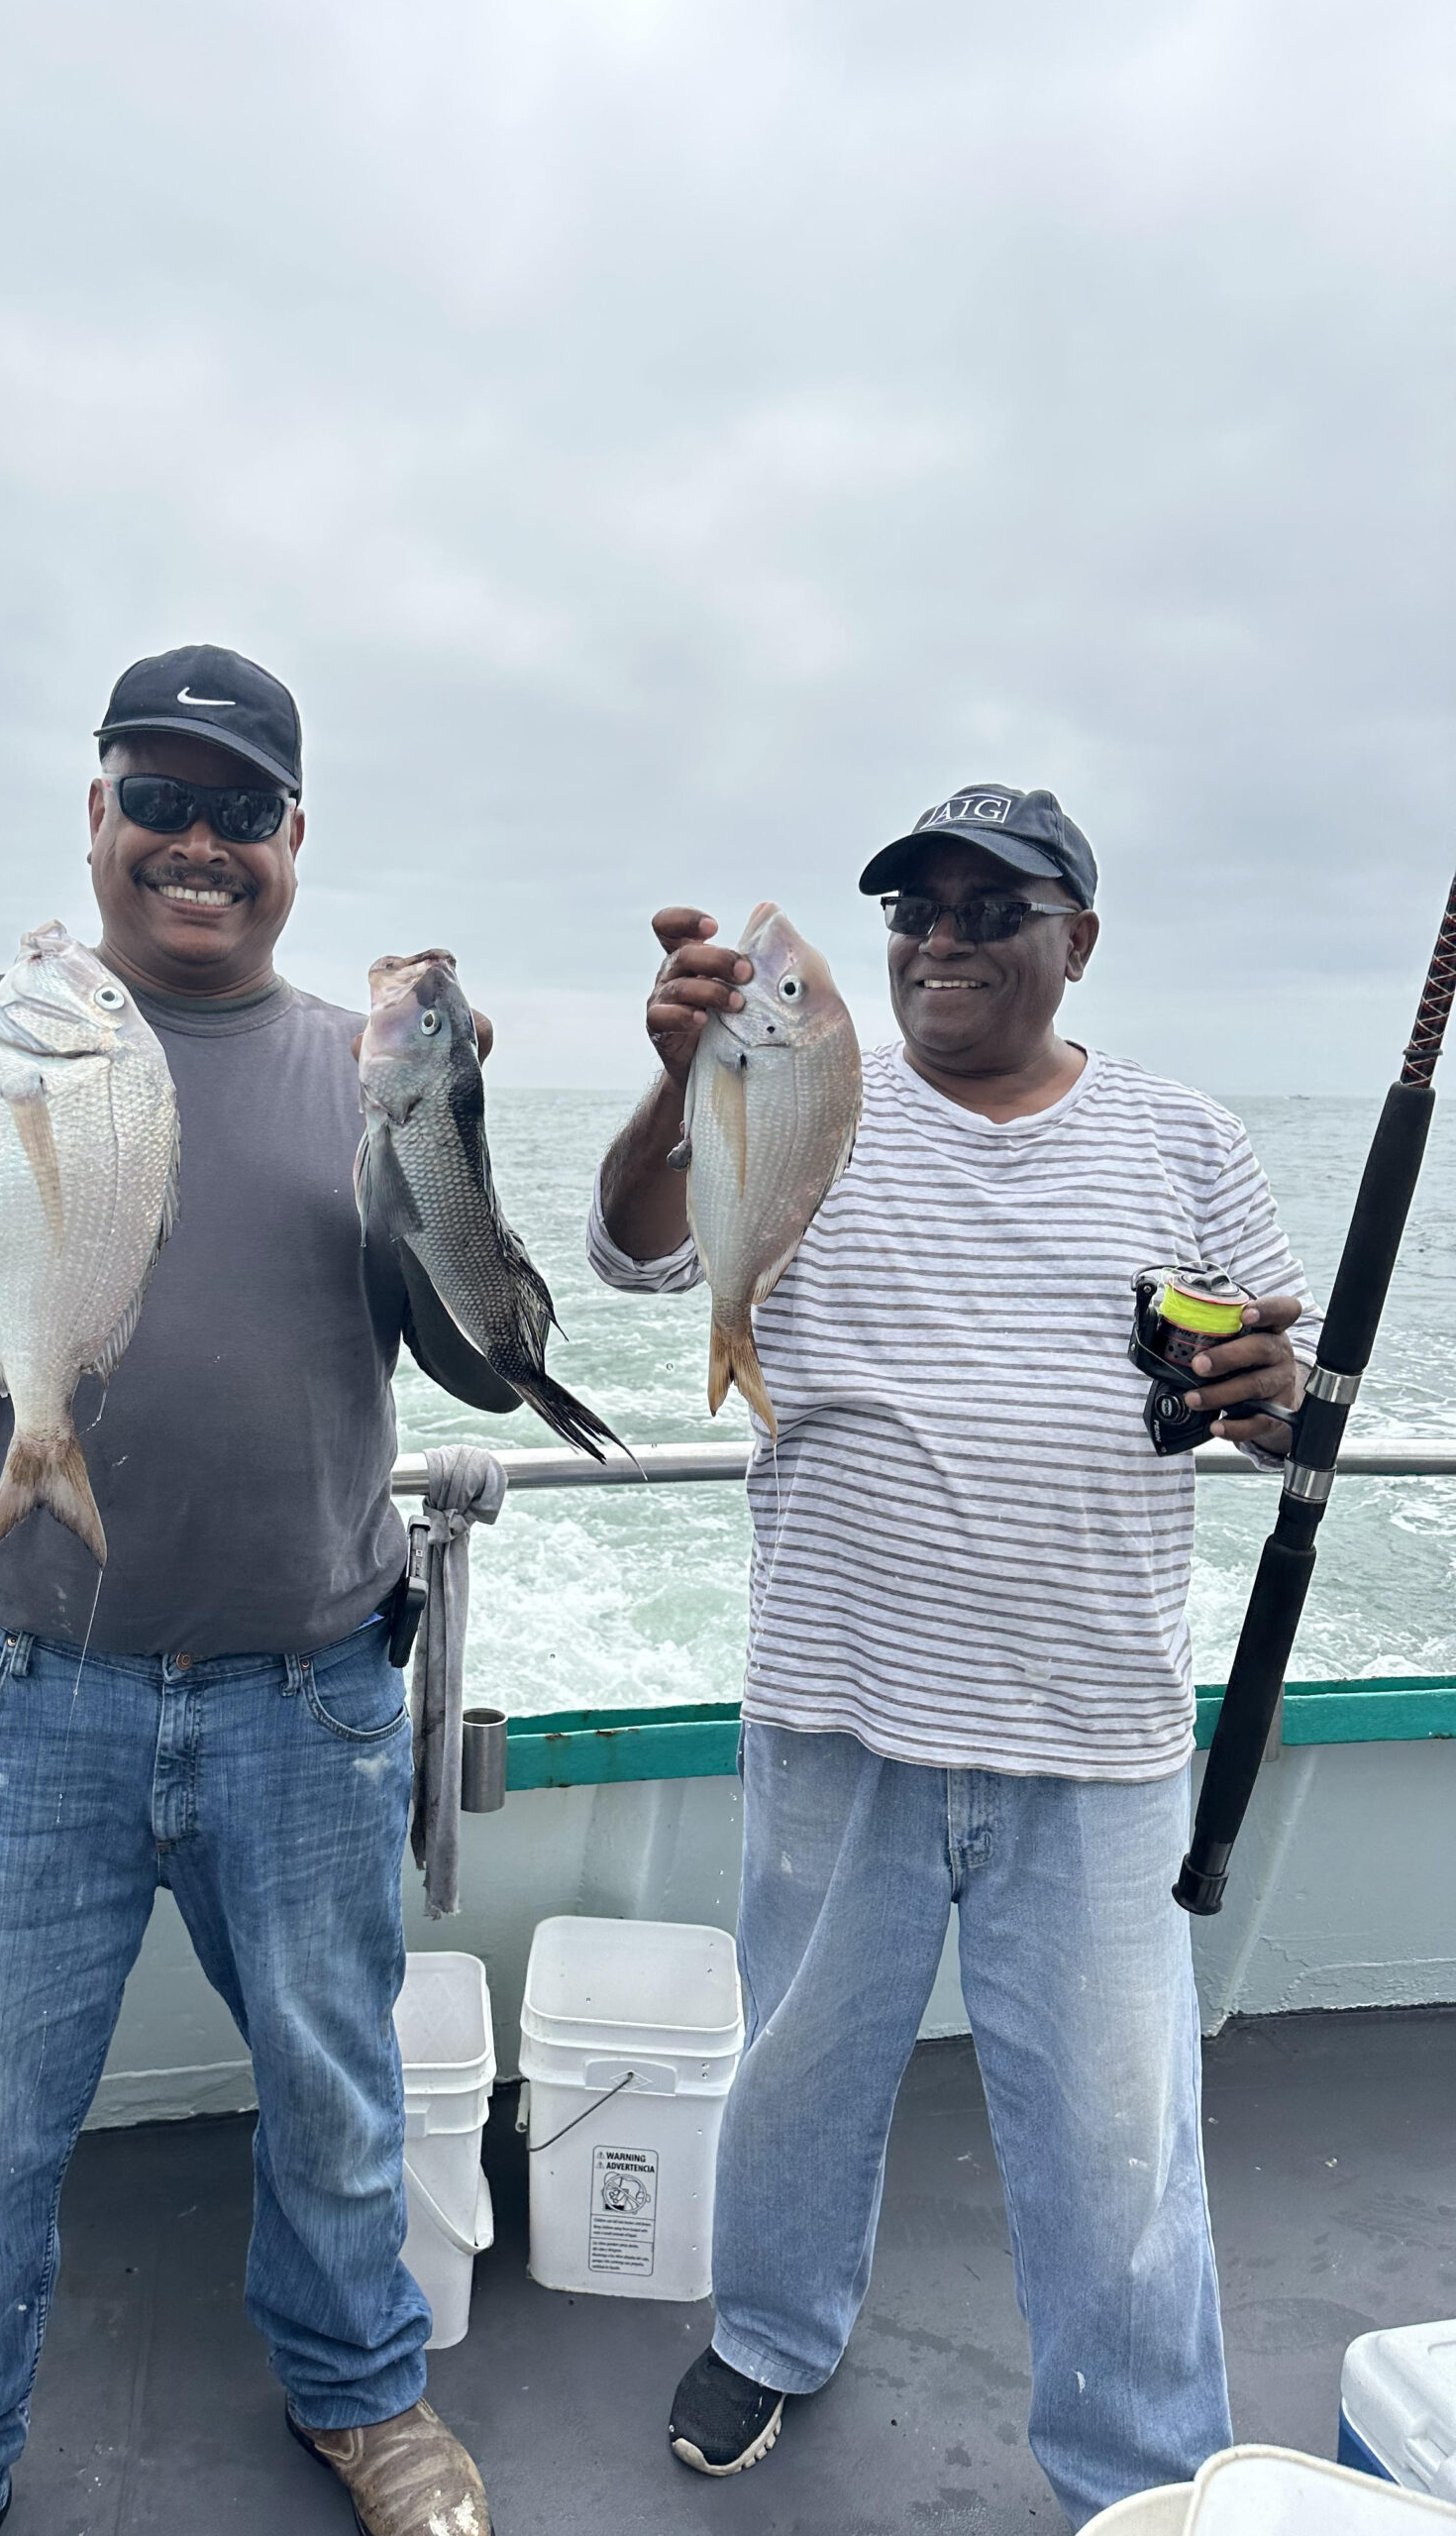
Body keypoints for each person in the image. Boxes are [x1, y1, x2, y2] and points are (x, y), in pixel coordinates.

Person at [0, 646, 496, 2536]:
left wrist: (444, 1131)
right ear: (93, 815)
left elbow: (488, 1367)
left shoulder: (365, 1062)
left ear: (296, 842)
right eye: (155, 799)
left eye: (240, 809)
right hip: (23, 1693)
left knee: (338, 2101)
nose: (196, 841)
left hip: (312, 1691)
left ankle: (361, 2393)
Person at [589, 785, 1314, 2528]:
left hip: (1100, 1730)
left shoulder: (1189, 1140)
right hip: (839, 1706)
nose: (945, 939)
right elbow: (632, 1253)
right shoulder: (805, 1094)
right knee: (795, 2071)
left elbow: (1277, 1408)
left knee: (1120, 2144)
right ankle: (768, 2331)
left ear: (1079, 941)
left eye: (997, 909)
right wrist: (671, 1084)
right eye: (917, 908)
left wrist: (1271, 1403)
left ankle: (1141, 2469)